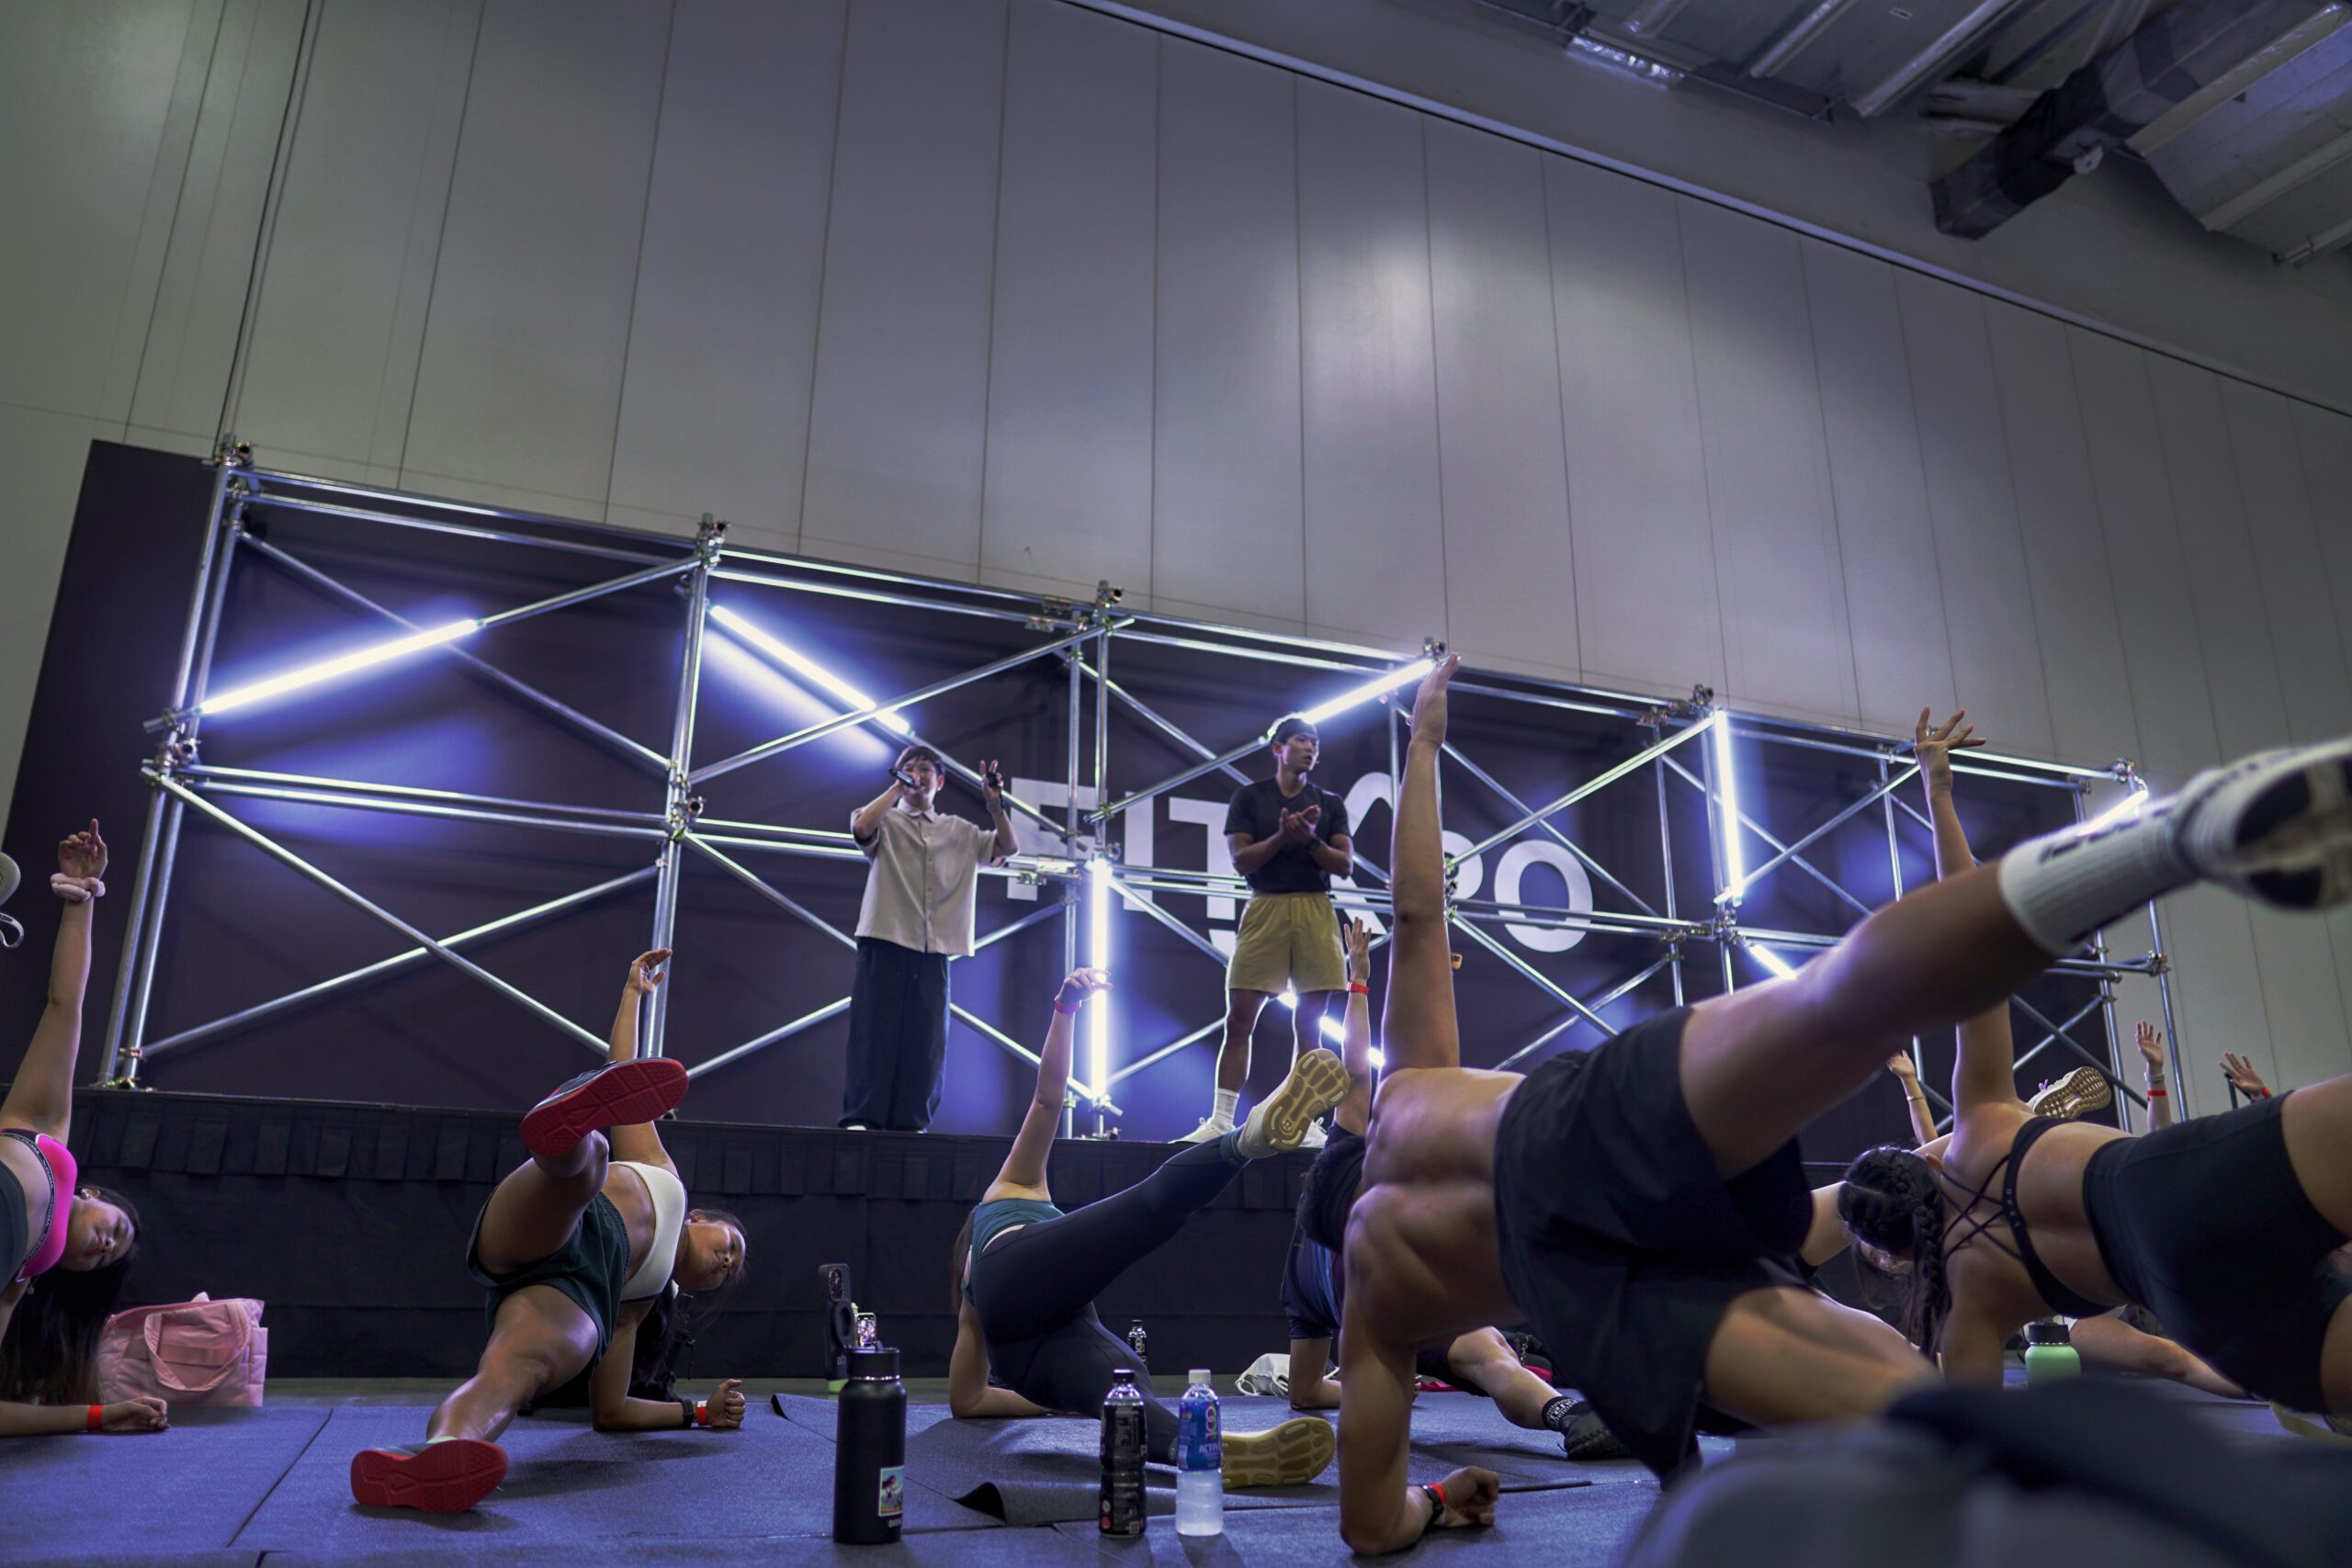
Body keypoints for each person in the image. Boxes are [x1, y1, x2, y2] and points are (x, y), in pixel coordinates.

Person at [1319, 658, 2352, 1551]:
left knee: (1931, 1422)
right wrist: (1423, 746)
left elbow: (1369, 1527)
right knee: (1836, 1002)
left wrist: (1434, 1500)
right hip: (1574, 1124)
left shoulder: (1374, 1300)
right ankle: (2166, 840)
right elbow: (1418, 913)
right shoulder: (1407, 1091)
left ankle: (2205, 1522)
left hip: (1588, 1288)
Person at [1836, 720, 2352, 1427]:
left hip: (2192, 1304)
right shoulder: (1978, 1120)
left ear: (1897, 1249)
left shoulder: (1966, 1302)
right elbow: (1974, 935)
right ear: (1922, 1162)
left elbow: (1982, 1439)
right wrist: (1937, 788)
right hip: (2174, 1185)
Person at [350, 950, 749, 1512]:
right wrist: (633, 995)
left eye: (729, 1270)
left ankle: (438, 1451)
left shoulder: (636, 1307)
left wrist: (700, 1412)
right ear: (700, 1218)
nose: (727, 1261)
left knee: (515, 1370)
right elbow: (625, 1068)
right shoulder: (664, 1175)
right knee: (591, 1161)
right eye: (731, 1245)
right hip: (570, 1216)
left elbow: (611, 1412)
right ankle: (568, 1126)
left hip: (575, 1293)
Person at [948, 964, 1346, 1487]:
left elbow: (967, 1400)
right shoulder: (1007, 1193)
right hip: (1030, 1299)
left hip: (1032, 1356)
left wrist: (1045, 1402)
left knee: (1126, 1391)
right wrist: (1064, 1010)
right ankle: (1245, 1141)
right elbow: (1047, 1099)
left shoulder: (972, 1304)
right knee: (1146, 1210)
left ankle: (1205, 1452)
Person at [1279, 918, 1620, 1459]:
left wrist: (1371, 1385)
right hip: (1419, 1275)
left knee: (1482, 1352)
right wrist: (1359, 981)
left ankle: (1559, 1398)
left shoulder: (1299, 1281)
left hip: (1376, 1322)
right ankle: (1567, 1413)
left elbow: (1305, 1392)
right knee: (1491, 1356)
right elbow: (1357, 1072)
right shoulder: (1353, 1164)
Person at [1, 821, 162, 1438]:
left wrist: (99, 1414)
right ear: (89, 1193)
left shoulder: (18, 1282)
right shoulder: (42, 1135)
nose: (104, 1247)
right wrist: (80, 896)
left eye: (104, 1260)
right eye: (114, 1230)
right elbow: (65, 1006)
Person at [1182, 715, 1353, 1145]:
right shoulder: (1250, 797)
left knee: (1310, 1024)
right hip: (1265, 906)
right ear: (1278, 748)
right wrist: (1282, 836)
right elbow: (1241, 860)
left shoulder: (1329, 803)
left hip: (1315, 908)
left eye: (1315, 743)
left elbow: (1345, 865)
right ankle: (1220, 1121)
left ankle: (1305, 1122)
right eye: (1301, 740)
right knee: (1239, 1018)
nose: (1310, 748)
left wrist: (1310, 839)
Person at [842, 746, 1017, 1132]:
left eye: (925, 769)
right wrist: (897, 788)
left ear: (941, 781)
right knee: (874, 1033)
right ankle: (863, 1118)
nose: (917, 775)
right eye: (908, 768)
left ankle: (912, 1123)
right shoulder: (886, 818)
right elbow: (861, 828)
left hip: (934, 949)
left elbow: (1008, 847)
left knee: (926, 1041)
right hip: (885, 939)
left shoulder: (958, 830)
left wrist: (994, 805)